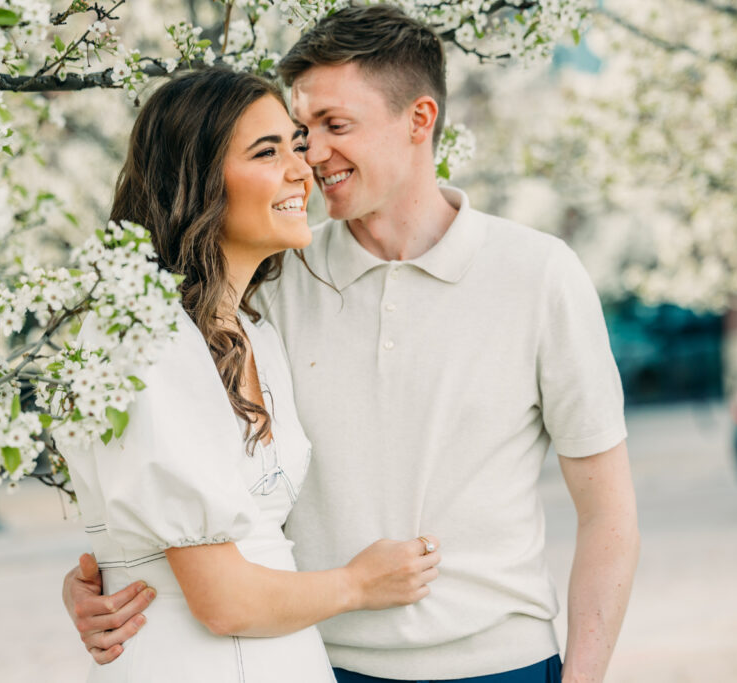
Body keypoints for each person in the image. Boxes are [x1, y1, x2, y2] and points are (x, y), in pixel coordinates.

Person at [64, 5, 640, 683]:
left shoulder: (539, 275)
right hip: (314, 660)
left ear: (419, 120)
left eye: (335, 127)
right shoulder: (269, 285)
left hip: (502, 664)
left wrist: (585, 675)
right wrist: (107, 576)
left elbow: (608, 512)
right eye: (299, 132)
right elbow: (176, 482)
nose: (311, 156)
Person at [56, 67, 443, 683]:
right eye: (268, 152)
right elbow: (223, 599)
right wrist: (359, 584)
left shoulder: (254, 334)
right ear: (197, 180)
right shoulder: (148, 334)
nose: (301, 169)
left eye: (296, 145)